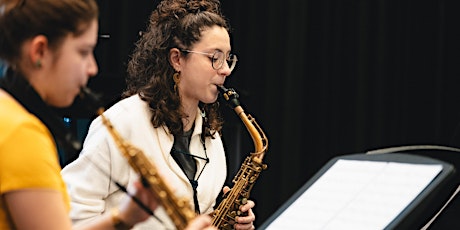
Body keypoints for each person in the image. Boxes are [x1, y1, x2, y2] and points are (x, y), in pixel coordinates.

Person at [0, 0, 216, 229]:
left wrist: (122, 218)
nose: (92, 67)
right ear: (40, 51)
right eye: (83, 52)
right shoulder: (21, 135)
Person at [61, 0, 256, 229]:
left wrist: (228, 222)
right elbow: (71, 217)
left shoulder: (211, 138)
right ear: (177, 59)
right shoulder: (122, 122)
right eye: (214, 57)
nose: (224, 69)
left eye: (228, 58)